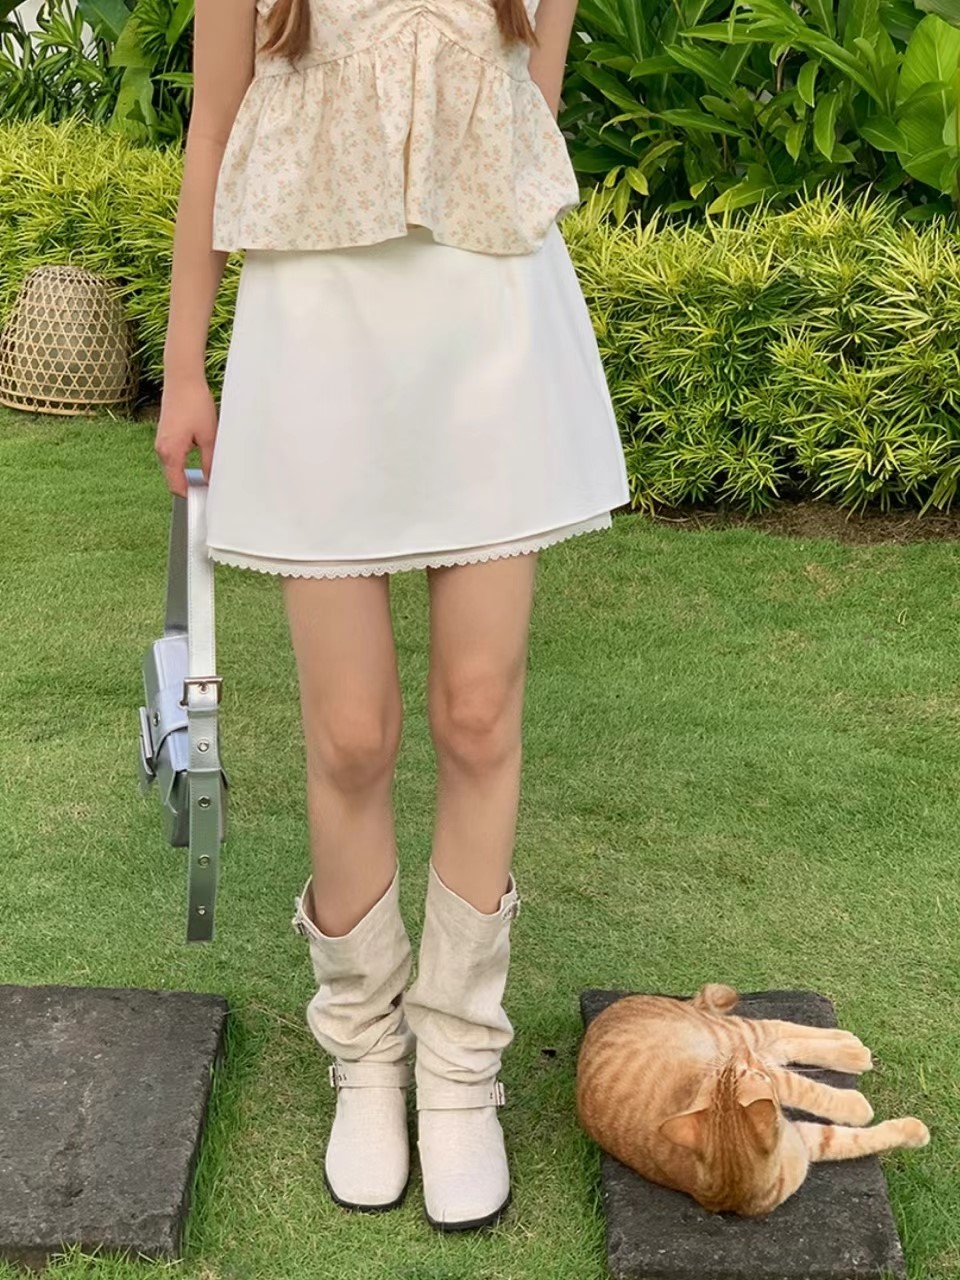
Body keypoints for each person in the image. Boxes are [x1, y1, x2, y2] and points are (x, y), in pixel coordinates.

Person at [154, 0, 630, 1235]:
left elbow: (527, 113)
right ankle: (365, 1051)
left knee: (478, 710)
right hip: (315, 324)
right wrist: (185, 365)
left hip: (488, 319)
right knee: (351, 731)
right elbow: (214, 125)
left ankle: (459, 1064)